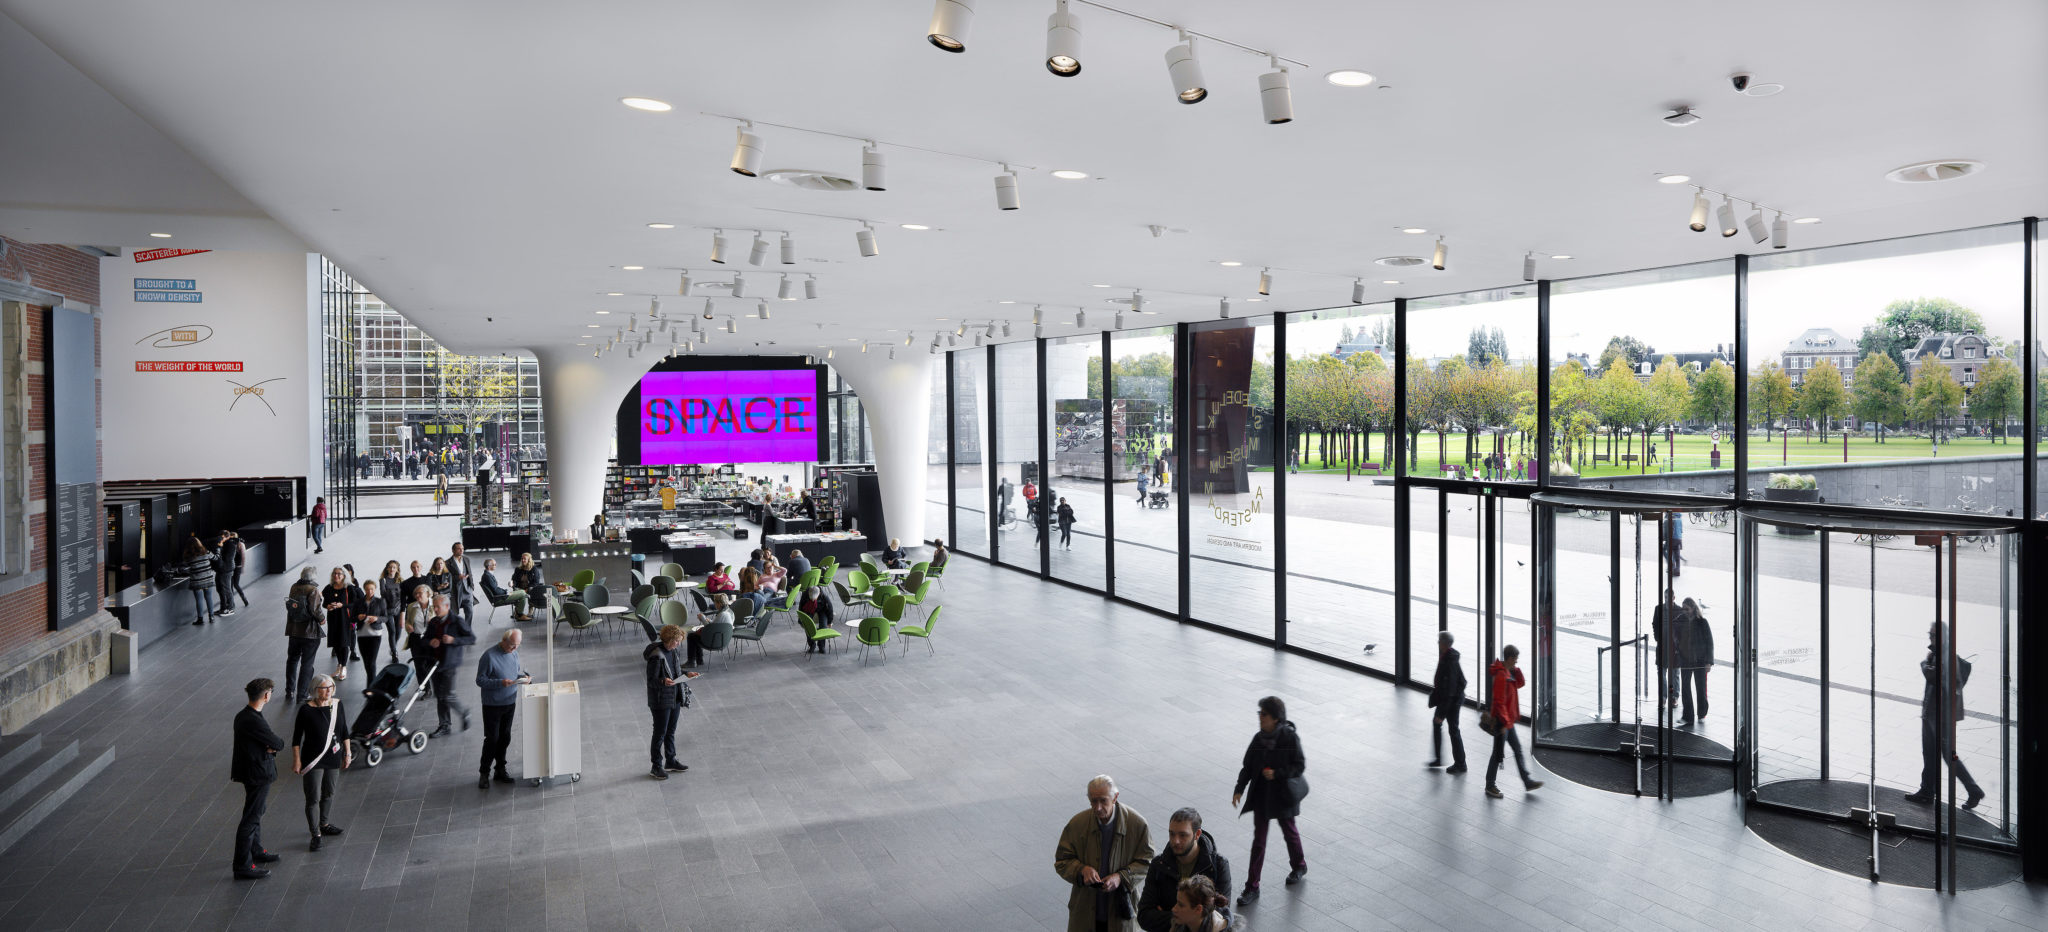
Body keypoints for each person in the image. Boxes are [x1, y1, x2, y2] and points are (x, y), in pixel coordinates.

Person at [1232, 695, 1307, 906]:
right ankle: (1252, 887)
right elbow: (1247, 767)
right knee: (1259, 842)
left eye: (1263, 714)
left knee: (1289, 831)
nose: (1260, 717)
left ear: (1275, 718)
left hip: (1283, 795)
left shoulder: (1289, 738)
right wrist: (1239, 789)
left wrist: (1278, 773)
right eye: (1260, 713)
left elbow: (1299, 766)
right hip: (1263, 797)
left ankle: (1299, 865)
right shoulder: (1258, 739)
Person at [1054, 774, 1153, 932]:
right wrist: (1081, 870)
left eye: (1103, 800)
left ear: (1115, 798)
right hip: (1085, 913)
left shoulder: (1137, 824)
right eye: (1093, 801)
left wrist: (1121, 877)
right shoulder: (1077, 824)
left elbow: (1147, 862)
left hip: (1120, 914)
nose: (1098, 807)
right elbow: (1062, 860)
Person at [1904, 621, 1984, 809]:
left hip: (1939, 716)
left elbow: (1933, 677)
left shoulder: (1945, 656)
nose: (1929, 637)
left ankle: (1973, 790)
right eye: (1929, 634)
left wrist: (1925, 662)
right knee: (1931, 754)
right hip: (1933, 713)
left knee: (1949, 755)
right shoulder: (1941, 654)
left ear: (1941, 637)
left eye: (1932, 634)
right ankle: (1926, 791)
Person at [1137, 808, 1232, 932]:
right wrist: (1189, 915)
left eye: (1183, 835)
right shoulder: (1158, 864)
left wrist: (1168, 915)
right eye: (1172, 834)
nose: (1175, 841)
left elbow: (1220, 915)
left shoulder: (1218, 865)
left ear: (1197, 834)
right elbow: (1144, 917)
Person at [230, 678, 287, 879]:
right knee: (252, 818)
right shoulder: (253, 719)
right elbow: (277, 743)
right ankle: (242, 865)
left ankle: (256, 850)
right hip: (257, 773)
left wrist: (269, 746)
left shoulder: (244, 715)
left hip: (251, 771)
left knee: (255, 812)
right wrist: (272, 746)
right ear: (266, 695)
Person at [290, 674, 350, 851]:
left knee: (329, 793)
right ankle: (315, 834)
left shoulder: (338, 705)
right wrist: (297, 760)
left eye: (331, 687)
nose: (329, 691)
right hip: (313, 759)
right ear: (315, 690)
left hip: (333, 757)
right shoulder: (306, 710)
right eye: (324, 688)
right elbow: (296, 738)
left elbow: (344, 730)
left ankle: (324, 824)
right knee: (313, 797)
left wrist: (347, 753)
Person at [1484, 645, 1544, 799]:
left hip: (1508, 721)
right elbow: (1498, 701)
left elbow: (1520, 683)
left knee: (1517, 750)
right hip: (1502, 722)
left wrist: (1515, 669)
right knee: (1497, 754)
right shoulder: (1501, 676)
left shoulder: (1508, 672)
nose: (1517, 662)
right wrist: (1504, 723)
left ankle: (1527, 781)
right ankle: (1490, 785)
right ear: (1510, 658)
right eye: (1515, 660)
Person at [643, 624, 701, 780]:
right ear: (669, 639)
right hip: (661, 700)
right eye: (677, 641)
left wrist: (687, 674)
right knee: (660, 733)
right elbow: (651, 681)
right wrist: (663, 681)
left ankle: (671, 760)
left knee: (671, 731)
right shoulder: (656, 656)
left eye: (680, 641)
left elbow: (676, 671)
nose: (679, 644)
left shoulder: (673, 651)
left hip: (674, 696)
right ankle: (656, 766)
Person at [474, 628, 528, 789]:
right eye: (512, 645)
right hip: (492, 705)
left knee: (505, 738)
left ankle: (500, 769)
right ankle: (484, 773)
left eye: (517, 645)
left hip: (510, 702)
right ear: (504, 641)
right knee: (492, 739)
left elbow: (514, 674)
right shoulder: (489, 656)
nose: (514, 649)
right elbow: (480, 680)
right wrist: (499, 683)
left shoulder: (514, 653)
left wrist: (524, 679)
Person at [422, 594, 474, 737]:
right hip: (434, 663)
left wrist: (453, 640)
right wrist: (430, 641)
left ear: (447, 606)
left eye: (438, 607)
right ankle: (444, 725)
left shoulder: (457, 621)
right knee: (440, 696)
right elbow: (424, 639)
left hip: (450, 663)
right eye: (434, 607)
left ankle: (464, 712)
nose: (435, 609)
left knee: (448, 695)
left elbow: (471, 638)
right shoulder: (433, 622)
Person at [1427, 630, 1468, 773]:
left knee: (1452, 729)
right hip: (1449, 700)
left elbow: (1450, 688)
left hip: (1450, 701)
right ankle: (1443, 759)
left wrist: (1442, 712)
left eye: (1439, 641)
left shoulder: (1449, 659)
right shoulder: (1450, 657)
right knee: (1450, 729)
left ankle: (1460, 763)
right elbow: (1462, 681)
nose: (1438, 643)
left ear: (1445, 643)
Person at [283, 568, 325, 703]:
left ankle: (289, 690)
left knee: (292, 660)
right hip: (309, 633)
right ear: (313, 578)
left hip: (294, 630)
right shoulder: (313, 589)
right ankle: (302, 694)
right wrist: (322, 619)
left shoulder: (294, 587)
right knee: (307, 664)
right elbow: (315, 609)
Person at [1676, 597, 1713, 727]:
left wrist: (1709, 662)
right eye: (1683, 609)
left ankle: (1701, 714)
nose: (1685, 611)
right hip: (1685, 660)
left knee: (1701, 688)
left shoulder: (1702, 622)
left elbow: (1709, 643)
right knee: (1685, 688)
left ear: (1693, 608)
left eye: (1687, 609)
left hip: (1700, 661)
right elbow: (1676, 637)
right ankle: (1688, 716)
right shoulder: (1680, 620)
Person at [320, 567, 362, 682]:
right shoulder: (329, 588)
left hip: (345, 618)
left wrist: (342, 605)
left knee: (344, 643)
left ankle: (344, 667)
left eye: (339, 574)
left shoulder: (349, 588)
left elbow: (355, 603)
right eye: (334, 573)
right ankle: (339, 665)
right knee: (335, 642)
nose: (336, 576)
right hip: (333, 618)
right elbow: (324, 603)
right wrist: (328, 606)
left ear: (344, 576)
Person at [175, 536, 221, 626]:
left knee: (199, 600)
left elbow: (182, 568)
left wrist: (189, 571)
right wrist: (218, 550)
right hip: (208, 579)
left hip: (197, 581)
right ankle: (211, 617)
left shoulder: (188, 556)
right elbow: (216, 558)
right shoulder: (206, 552)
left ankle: (200, 619)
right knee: (209, 598)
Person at [355, 580, 394, 684]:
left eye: (371, 589)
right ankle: (373, 682)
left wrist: (376, 619)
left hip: (375, 635)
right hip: (361, 635)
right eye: (367, 589)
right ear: (364, 589)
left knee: (371, 662)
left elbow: (385, 618)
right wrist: (358, 617)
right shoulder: (358, 602)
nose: (369, 591)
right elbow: (351, 618)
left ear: (375, 589)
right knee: (366, 663)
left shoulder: (380, 601)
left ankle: (371, 686)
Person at [1168, 875, 1239, 932]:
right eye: (1177, 902)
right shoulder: (1180, 922)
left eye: (1181, 905)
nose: (1174, 909)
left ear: (1198, 909)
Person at [403, 585, 437, 697]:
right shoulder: (411, 606)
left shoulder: (436, 604)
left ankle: (439, 685)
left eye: (420, 593)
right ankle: (426, 689)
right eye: (416, 594)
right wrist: (408, 626)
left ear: (428, 594)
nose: (417, 595)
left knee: (432, 664)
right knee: (419, 665)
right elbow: (408, 621)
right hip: (416, 639)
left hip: (431, 639)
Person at [1650, 588, 1681, 709]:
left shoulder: (1679, 610)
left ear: (1674, 598)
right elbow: (1654, 624)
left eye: (1669, 597)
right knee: (1661, 673)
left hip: (1674, 648)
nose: (1667, 600)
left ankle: (1674, 697)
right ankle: (1663, 697)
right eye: (1665, 597)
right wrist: (1657, 638)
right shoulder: (1658, 609)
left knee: (1674, 674)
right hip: (1662, 647)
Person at [688, 594, 734, 667]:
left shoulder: (722, 614)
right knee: (695, 636)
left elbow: (709, 628)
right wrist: (710, 620)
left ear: (719, 603)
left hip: (714, 641)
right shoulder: (730, 612)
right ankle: (699, 660)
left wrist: (702, 618)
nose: (714, 604)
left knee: (691, 636)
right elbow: (718, 624)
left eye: (715, 602)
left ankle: (692, 662)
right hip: (724, 640)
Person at [799, 586, 836, 653]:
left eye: (814, 598)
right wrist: (801, 619)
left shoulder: (824, 596)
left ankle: (821, 646)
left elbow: (830, 609)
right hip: (808, 609)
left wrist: (829, 622)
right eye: (811, 598)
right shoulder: (805, 594)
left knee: (823, 627)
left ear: (819, 594)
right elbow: (801, 607)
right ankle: (812, 645)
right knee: (808, 627)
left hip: (822, 610)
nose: (813, 599)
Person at [510, 552, 545, 621]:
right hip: (520, 587)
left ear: (529, 560)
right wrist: (513, 584)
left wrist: (526, 589)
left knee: (531, 590)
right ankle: (518, 612)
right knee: (516, 591)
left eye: (524, 559)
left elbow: (536, 582)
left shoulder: (534, 569)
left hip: (530, 587)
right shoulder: (518, 569)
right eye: (522, 559)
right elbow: (514, 580)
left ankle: (530, 610)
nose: (523, 560)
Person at [449, 542, 477, 626]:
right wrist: (458, 577)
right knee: (454, 613)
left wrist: (472, 586)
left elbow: (470, 572)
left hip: (467, 590)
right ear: (453, 550)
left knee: (470, 612)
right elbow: (448, 578)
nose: (461, 550)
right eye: (459, 549)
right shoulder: (447, 563)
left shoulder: (466, 559)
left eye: (462, 548)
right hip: (455, 592)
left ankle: (467, 630)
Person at [212, 531, 239, 616]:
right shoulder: (226, 544)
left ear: (224, 536)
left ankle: (230, 609)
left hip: (226, 570)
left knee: (227, 589)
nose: (220, 539)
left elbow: (226, 559)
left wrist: (219, 549)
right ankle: (223, 608)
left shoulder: (230, 545)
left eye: (221, 537)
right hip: (221, 570)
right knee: (220, 589)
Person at [1667, 512, 1685, 579]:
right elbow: (1681, 531)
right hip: (1679, 539)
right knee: (1677, 556)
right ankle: (1677, 571)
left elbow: (1671, 530)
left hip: (1673, 538)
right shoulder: (1680, 519)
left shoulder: (1673, 519)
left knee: (1672, 555)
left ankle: (1672, 570)